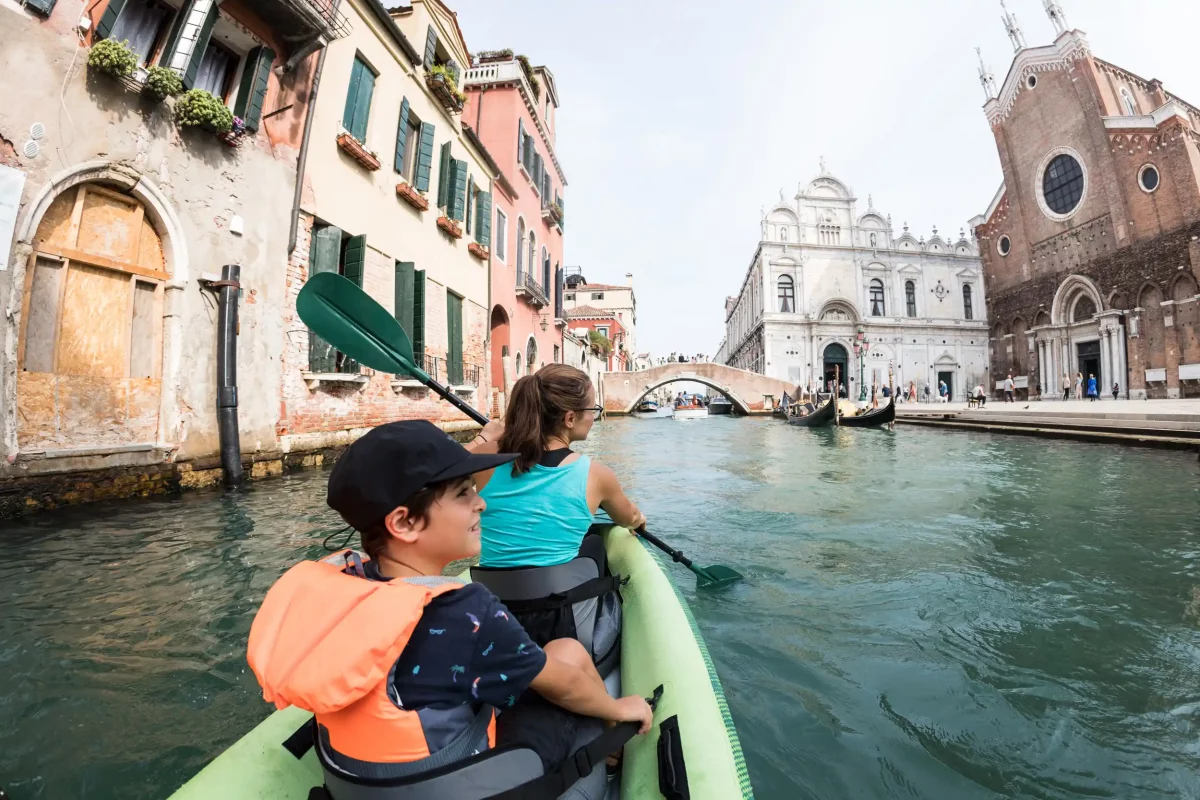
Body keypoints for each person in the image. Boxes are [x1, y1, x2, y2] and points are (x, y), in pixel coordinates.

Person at [245, 422, 653, 797]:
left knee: (565, 653)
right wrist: (619, 708)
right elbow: (561, 685)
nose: (481, 504)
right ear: (404, 523)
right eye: (463, 493)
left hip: (363, 783)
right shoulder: (467, 610)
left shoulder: (348, 578)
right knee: (574, 680)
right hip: (456, 780)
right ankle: (611, 766)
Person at [476, 365, 645, 569]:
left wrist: (483, 438)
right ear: (570, 418)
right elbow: (630, 518)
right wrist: (639, 519)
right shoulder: (598, 476)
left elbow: (438, 473)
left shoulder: (483, 456)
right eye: (592, 410)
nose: (594, 417)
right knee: (596, 543)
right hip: (559, 597)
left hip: (492, 596)